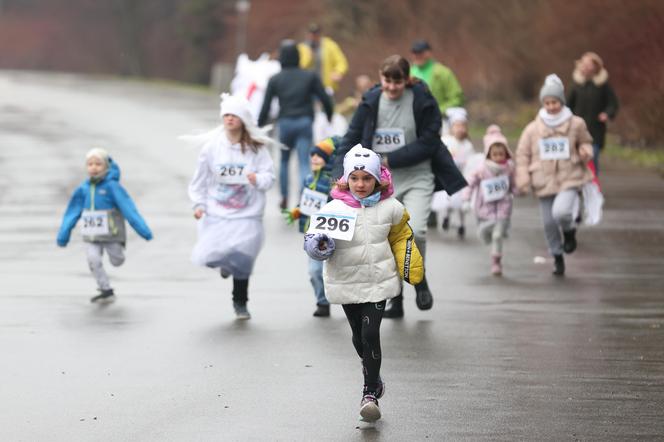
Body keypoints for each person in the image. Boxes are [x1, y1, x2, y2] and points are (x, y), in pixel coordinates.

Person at [333, 54, 467, 318]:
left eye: (398, 81)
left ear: (407, 80)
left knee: (415, 231)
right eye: (387, 81)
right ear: (380, 79)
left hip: (417, 175)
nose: (392, 87)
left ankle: (419, 280)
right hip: (379, 183)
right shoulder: (371, 101)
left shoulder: (422, 99)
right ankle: (396, 296)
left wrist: (389, 159)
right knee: (385, 236)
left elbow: (430, 140)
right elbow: (350, 138)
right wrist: (339, 174)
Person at [303, 144, 423, 422]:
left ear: (378, 179)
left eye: (367, 178)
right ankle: (374, 375)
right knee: (358, 336)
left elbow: (402, 236)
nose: (361, 184)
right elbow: (313, 240)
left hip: (379, 281)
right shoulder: (333, 208)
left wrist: (413, 267)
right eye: (355, 178)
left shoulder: (391, 208)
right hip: (346, 281)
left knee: (371, 334)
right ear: (346, 179)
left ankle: (369, 394)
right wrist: (318, 246)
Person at [188, 93, 275, 319]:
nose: (229, 119)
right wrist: (198, 204)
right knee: (215, 255)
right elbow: (200, 179)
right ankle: (226, 265)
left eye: (233, 115)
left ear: (243, 119)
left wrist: (257, 179)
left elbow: (269, 176)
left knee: (243, 257)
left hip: (248, 212)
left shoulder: (257, 149)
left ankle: (240, 301)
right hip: (218, 211)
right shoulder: (211, 148)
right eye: (225, 115)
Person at [515, 74, 594, 276]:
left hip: (570, 176)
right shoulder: (533, 129)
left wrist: (586, 151)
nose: (551, 106)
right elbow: (522, 154)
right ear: (543, 103)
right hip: (543, 180)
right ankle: (557, 257)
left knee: (561, 212)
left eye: (555, 102)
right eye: (547, 102)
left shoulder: (576, 124)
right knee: (549, 223)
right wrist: (523, 178)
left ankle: (569, 232)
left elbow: (586, 142)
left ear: (562, 101)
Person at [56, 148, 153, 303]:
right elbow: (72, 212)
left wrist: (143, 230)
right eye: (90, 164)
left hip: (112, 235)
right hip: (91, 236)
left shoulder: (112, 187)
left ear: (106, 167)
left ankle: (118, 254)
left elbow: (129, 209)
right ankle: (105, 289)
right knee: (93, 259)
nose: (93, 167)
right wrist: (63, 234)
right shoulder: (83, 189)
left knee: (117, 261)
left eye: (98, 164)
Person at [258, 39, 333, 210]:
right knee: (304, 162)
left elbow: (266, 107)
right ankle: (302, 198)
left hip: (285, 123)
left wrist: (257, 127)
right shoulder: (310, 76)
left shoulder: (275, 79)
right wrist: (329, 115)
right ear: (298, 57)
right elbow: (325, 98)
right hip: (304, 122)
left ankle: (284, 197)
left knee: (283, 162)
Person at [283, 137, 338, 317]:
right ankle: (322, 302)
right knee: (314, 271)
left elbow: (337, 204)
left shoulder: (333, 183)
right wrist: (297, 211)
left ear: (328, 160)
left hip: (330, 233)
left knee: (338, 271)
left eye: (319, 156)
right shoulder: (308, 179)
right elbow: (306, 202)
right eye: (312, 155)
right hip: (312, 234)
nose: (314, 158)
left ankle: (349, 302)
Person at [463, 125, 515, 276]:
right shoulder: (482, 169)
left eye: (501, 154)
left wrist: (518, 190)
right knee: (485, 233)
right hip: (485, 209)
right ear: (489, 154)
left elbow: (513, 184)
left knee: (497, 236)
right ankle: (486, 233)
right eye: (495, 154)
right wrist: (466, 199)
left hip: (504, 208)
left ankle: (496, 262)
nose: (499, 157)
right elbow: (470, 183)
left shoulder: (509, 168)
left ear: (506, 154)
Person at [567, 52, 619, 175]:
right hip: (577, 129)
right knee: (577, 157)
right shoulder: (577, 86)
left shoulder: (603, 85)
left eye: (589, 65)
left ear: (596, 67)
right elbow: (568, 105)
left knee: (592, 156)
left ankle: (593, 183)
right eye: (583, 64)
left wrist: (606, 114)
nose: (585, 67)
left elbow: (613, 104)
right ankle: (579, 183)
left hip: (596, 129)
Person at [434, 107, 476, 237]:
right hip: (450, 176)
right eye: (457, 126)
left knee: (461, 202)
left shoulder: (468, 145)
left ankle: (461, 224)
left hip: (462, 176)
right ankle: (446, 216)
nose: (460, 129)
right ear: (451, 127)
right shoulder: (447, 141)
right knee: (449, 199)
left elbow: (471, 160)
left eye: (462, 126)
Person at [410, 39, 464, 116]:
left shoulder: (442, 72)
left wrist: (439, 110)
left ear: (428, 53)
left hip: (440, 117)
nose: (418, 56)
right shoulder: (408, 72)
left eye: (420, 53)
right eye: (415, 53)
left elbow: (457, 97)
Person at [298, 23, 349, 94]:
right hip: (307, 87)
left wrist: (338, 72)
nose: (313, 36)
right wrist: (308, 58)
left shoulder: (330, 45)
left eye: (316, 34)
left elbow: (341, 62)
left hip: (326, 86)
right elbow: (299, 67)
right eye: (311, 34)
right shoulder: (301, 48)